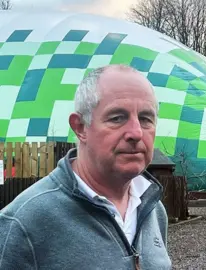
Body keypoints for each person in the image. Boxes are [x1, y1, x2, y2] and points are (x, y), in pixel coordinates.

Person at [0, 64, 172, 269]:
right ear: (80, 127)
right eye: (117, 118)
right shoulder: (23, 223)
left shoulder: (152, 208)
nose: (136, 133)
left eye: (145, 119)